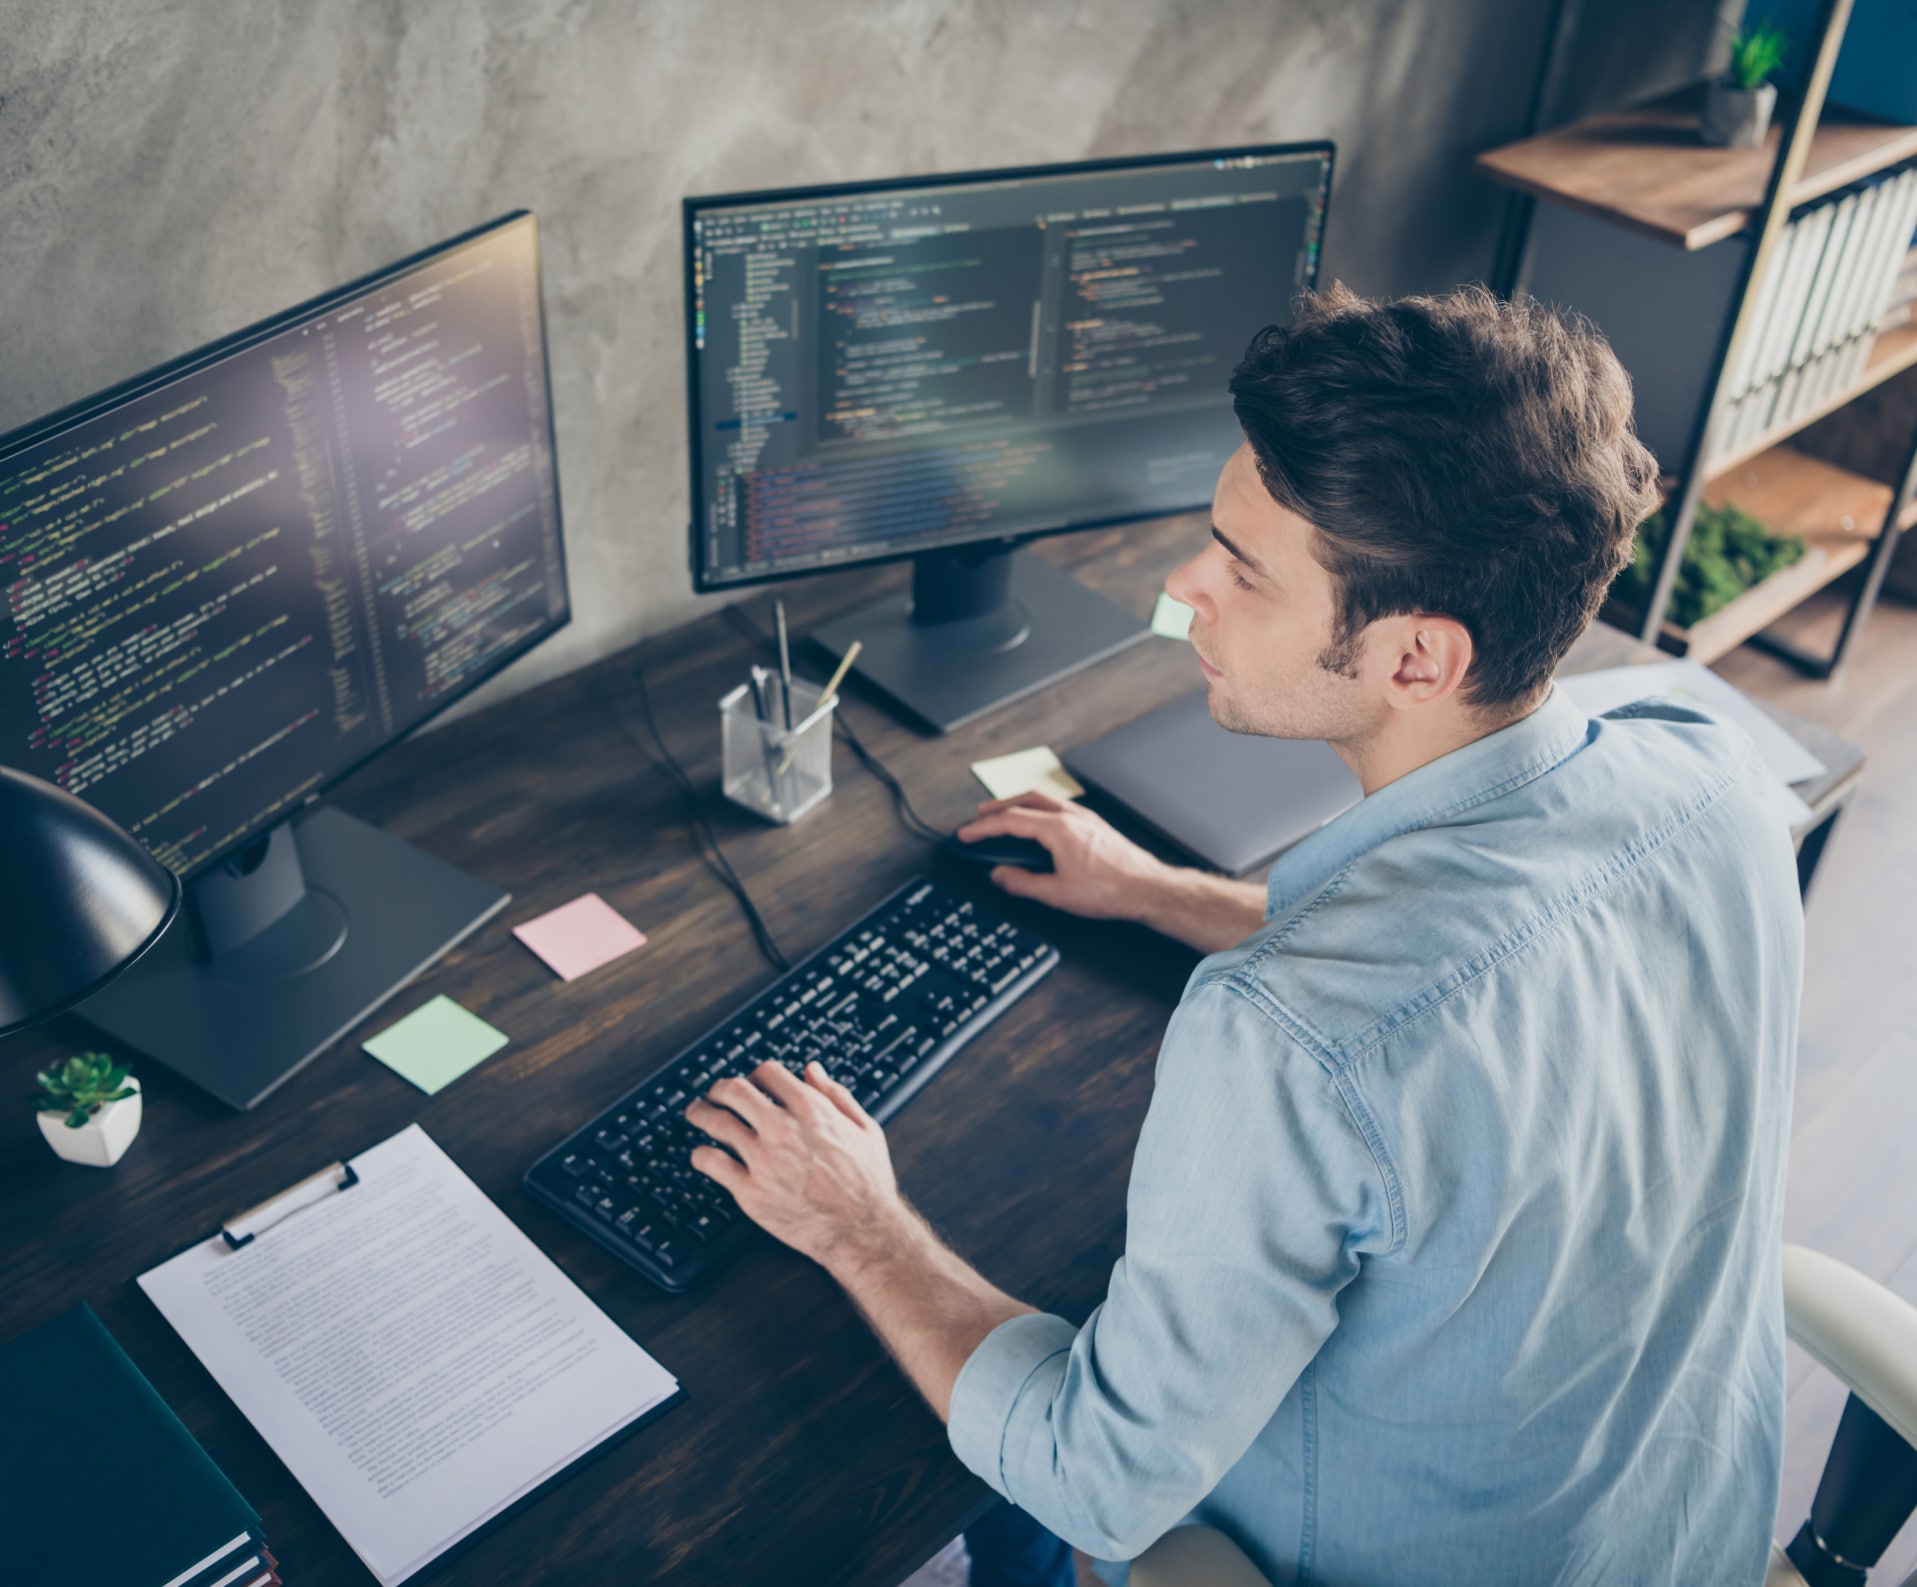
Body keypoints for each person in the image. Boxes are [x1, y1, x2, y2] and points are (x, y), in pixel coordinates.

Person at [684, 285, 1803, 1586]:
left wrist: (855, 1222)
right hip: (1681, 1537)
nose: (1183, 588)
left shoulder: (1281, 1039)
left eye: (1241, 569)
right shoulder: (1706, 772)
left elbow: (1097, 1474)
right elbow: (1494, 963)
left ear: (1414, 660)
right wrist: (1161, 891)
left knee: (996, 1483)